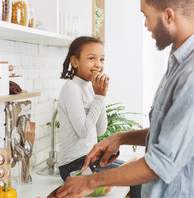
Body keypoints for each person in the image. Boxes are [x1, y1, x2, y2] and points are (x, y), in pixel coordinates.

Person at [56, 0, 194, 198]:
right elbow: (169, 132)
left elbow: (160, 162)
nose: (145, 25)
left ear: (169, 15)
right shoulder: (181, 61)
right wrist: (121, 137)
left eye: (145, 15)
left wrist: (91, 181)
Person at [57, 36, 141, 197]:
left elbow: (101, 130)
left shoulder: (89, 88)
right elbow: (83, 131)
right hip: (74, 166)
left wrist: (100, 95)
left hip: (90, 160)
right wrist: (99, 97)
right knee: (136, 179)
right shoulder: (71, 88)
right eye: (91, 58)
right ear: (75, 62)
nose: (98, 64)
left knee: (136, 173)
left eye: (102, 59)